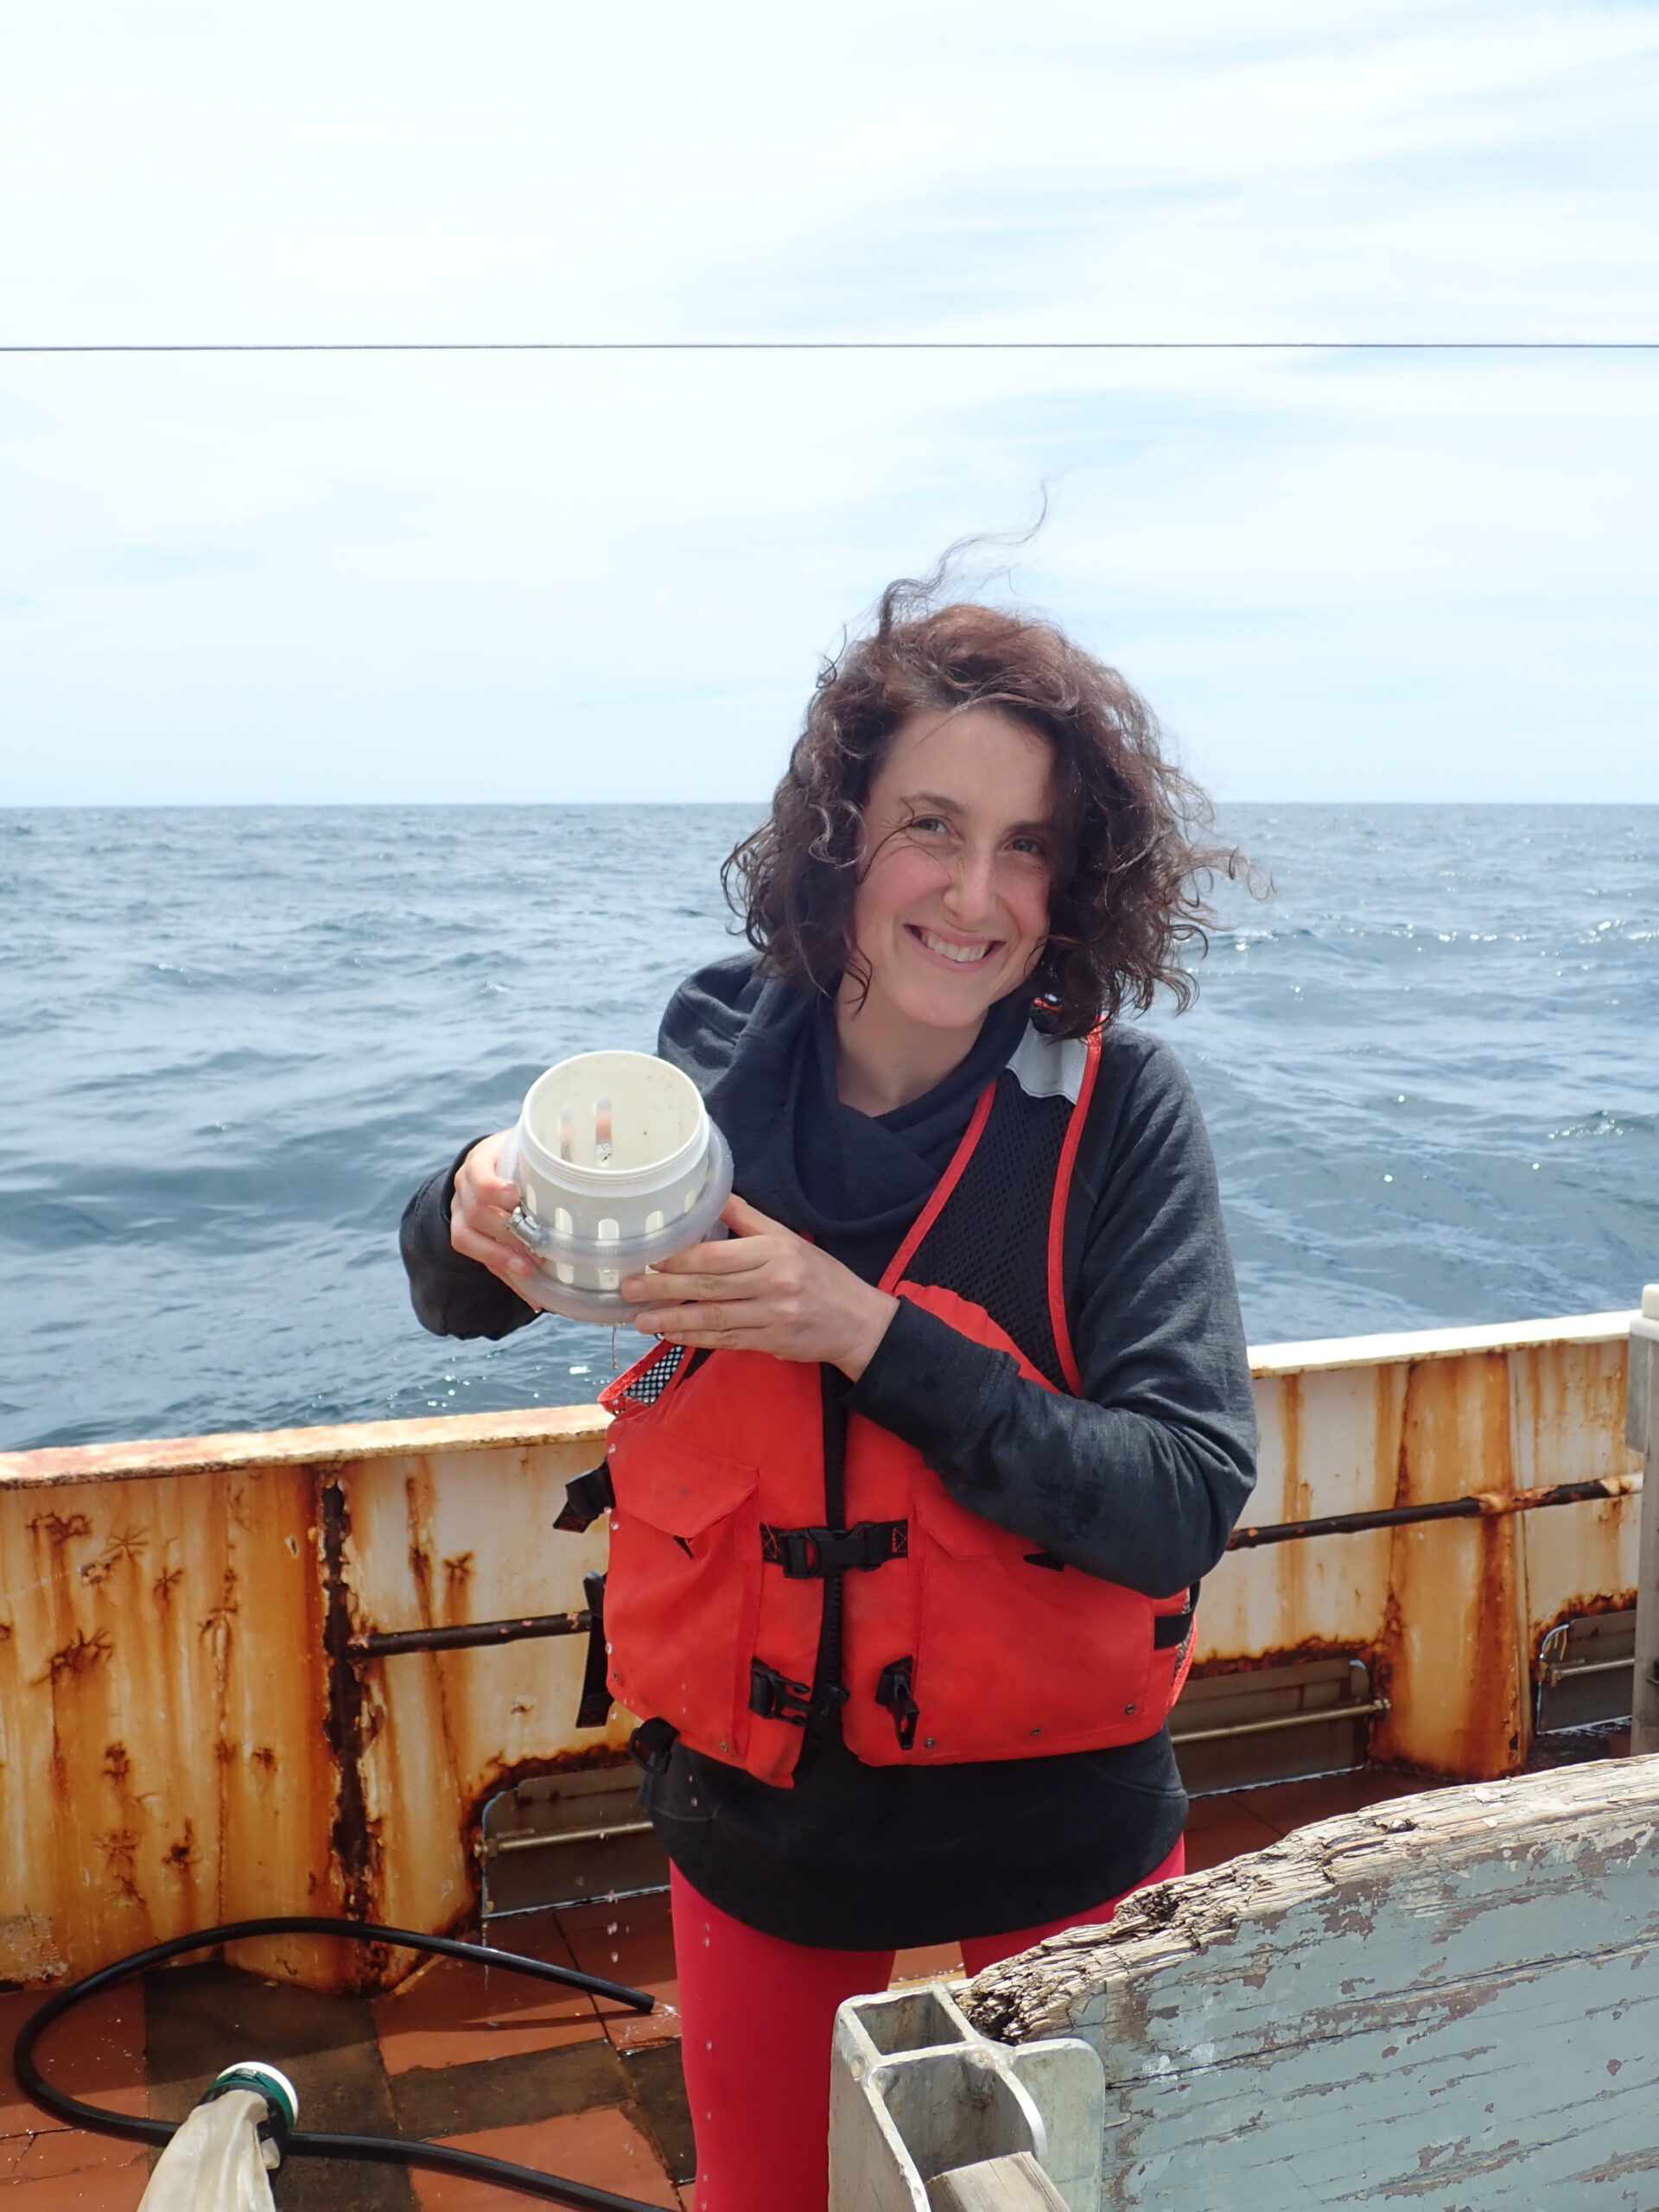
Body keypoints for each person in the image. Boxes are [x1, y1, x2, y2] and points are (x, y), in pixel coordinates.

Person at [400, 575, 1257, 2212]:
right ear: (841, 834)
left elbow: (1180, 1500)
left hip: (1060, 1821)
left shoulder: (1123, 1115)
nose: (976, 893)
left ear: (1075, 884)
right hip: (762, 1824)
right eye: (933, 826)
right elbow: (467, 1292)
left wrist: (863, 1330)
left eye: (1028, 847)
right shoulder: (719, 1049)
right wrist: (466, 1195)